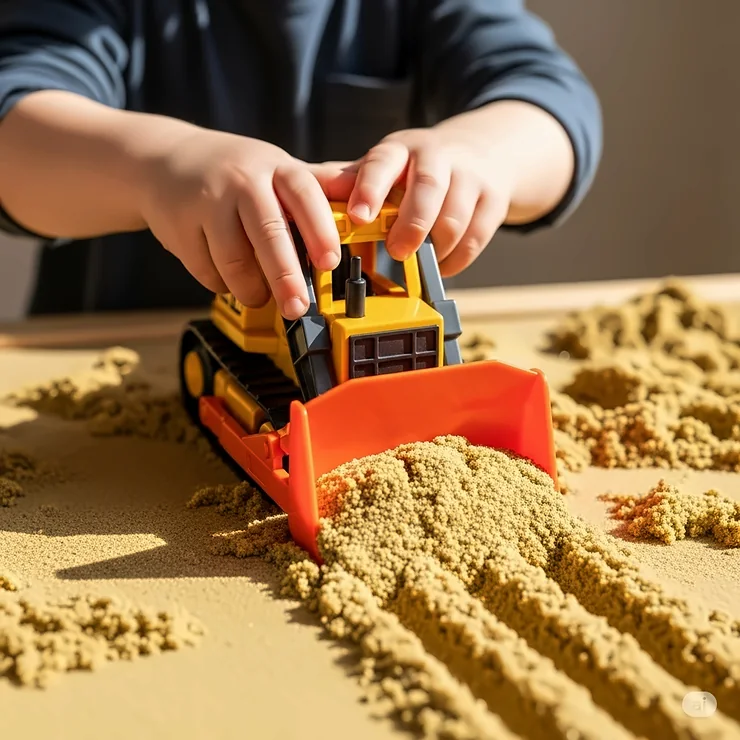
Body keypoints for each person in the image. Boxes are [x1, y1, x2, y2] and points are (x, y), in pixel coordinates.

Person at [0, 0, 602, 320]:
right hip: (113, 339)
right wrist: (161, 167)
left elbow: (550, 101)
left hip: (359, 321)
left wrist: (486, 152)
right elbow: (15, 123)